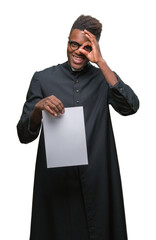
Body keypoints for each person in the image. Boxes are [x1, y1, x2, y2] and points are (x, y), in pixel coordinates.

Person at [17, 15, 139, 240]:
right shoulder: (42, 79)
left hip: (98, 180)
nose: (78, 51)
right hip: (56, 185)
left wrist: (101, 62)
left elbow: (130, 106)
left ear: (94, 48)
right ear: (67, 42)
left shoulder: (103, 78)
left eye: (87, 47)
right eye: (74, 44)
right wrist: (38, 108)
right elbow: (23, 135)